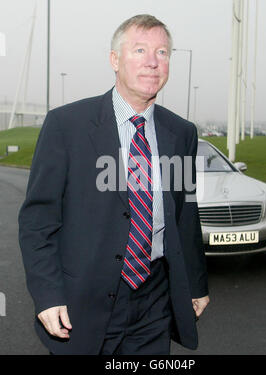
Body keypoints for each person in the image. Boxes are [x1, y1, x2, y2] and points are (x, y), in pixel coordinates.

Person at [18, 14, 209, 355]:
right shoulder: (67, 125)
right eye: (140, 50)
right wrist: (48, 295)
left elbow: (184, 215)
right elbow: (38, 222)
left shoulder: (182, 133)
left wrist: (195, 283)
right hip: (82, 304)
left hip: (153, 301)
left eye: (163, 52)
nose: (153, 62)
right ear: (115, 60)